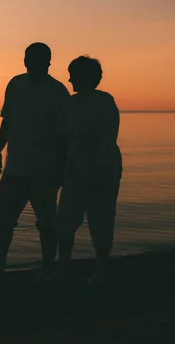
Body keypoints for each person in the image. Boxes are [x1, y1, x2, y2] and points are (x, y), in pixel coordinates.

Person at [0, 42, 70, 281]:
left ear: (48, 62)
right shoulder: (15, 85)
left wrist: (61, 171)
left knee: (47, 223)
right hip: (14, 169)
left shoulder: (58, 92)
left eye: (39, 60)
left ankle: (48, 268)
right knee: (3, 222)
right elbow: (7, 121)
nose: (33, 64)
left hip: (45, 171)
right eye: (30, 59)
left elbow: (65, 136)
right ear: (25, 61)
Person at [56, 55, 123, 282]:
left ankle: (101, 268)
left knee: (101, 219)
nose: (69, 79)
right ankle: (63, 267)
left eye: (72, 74)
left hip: (102, 172)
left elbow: (107, 139)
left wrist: (98, 170)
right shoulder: (70, 104)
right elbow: (64, 139)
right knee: (65, 220)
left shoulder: (104, 102)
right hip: (75, 170)